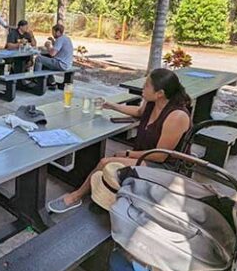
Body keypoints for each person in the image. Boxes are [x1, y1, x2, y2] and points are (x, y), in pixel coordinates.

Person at [46, 68, 191, 214]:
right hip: (146, 156)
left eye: (147, 85)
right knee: (112, 160)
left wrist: (128, 154)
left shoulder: (176, 116)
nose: (143, 88)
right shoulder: (152, 103)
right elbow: (139, 112)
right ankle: (102, 190)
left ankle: (76, 196)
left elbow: (160, 156)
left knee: (105, 162)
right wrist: (112, 106)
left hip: (162, 166)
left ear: (160, 94)